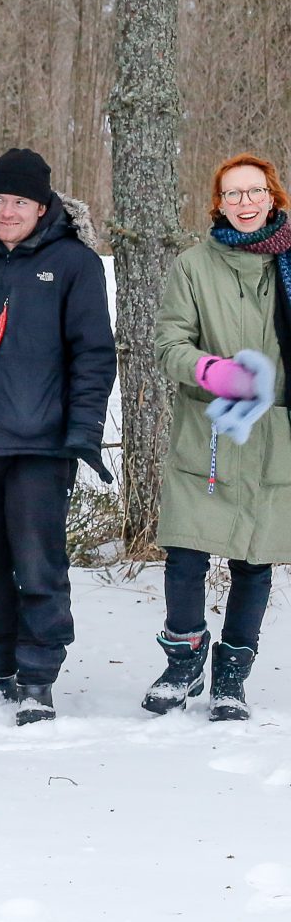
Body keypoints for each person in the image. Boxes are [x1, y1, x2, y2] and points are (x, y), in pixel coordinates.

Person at [0, 149, 115, 725]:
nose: (8, 211)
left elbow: (94, 356)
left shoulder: (75, 264)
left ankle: (37, 678)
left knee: (39, 563)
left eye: (20, 201)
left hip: (42, 446)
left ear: (44, 207)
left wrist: (83, 432)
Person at [142, 153, 291, 722]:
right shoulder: (192, 266)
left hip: (274, 433)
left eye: (255, 192)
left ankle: (232, 675)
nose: (245, 202)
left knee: (256, 560)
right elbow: (167, 343)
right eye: (233, 194)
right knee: (185, 551)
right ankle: (183, 661)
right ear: (218, 203)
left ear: (272, 197)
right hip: (207, 428)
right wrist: (212, 371)